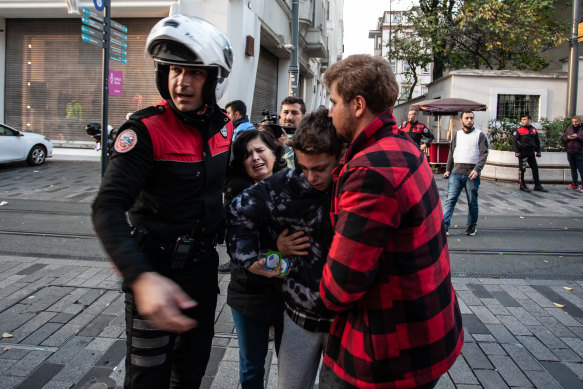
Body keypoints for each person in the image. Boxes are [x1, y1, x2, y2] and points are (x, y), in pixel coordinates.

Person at [91, 15, 233, 389]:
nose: (181, 82)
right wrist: (141, 279)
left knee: (191, 372)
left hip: (202, 273)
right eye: (173, 69)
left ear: (214, 79)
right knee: (148, 379)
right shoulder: (143, 131)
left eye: (195, 72)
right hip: (155, 271)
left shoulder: (224, 126)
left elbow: (227, 185)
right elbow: (106, 207)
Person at [319, 54, 464, 389]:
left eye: (334, 101)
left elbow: (341, 286)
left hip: (388, 350)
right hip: (430, 331)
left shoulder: (370, 169)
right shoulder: (403, 145)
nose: (330, 111)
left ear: (357, 104)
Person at [227, 109, 343, 389]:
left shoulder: (354, 182)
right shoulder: (286, 184)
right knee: (272, 375)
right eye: (305, 168)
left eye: (320, 169)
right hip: (294, 312)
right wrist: (263, 260)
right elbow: (237, 213)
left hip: (344, 316)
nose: (312, 177)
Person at [224, 130, 288, 389]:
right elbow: (246, 258)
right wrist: (281, 252)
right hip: (249, 295)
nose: (255, 158)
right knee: (252, 367)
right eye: (247, 154)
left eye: (260, 150)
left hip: (289, 297)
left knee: (292, 368)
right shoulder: (238, 198)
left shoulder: (294, 187)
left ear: (274, 152)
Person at [443, 111, 489, 236]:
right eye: (467, 118)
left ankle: (471, 225)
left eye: (471, 118)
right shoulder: (457, 135)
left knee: (472, 201)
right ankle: (444, 226)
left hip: (471, 174)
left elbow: (484, 154)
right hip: (456, 173)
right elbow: (452, 152)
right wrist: (448, 169)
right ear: (461, 120)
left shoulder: (480, 135)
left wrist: (477, 169)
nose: (469, 120)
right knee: (450, 200)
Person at [513, 114, 547, 192]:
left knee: (535, 168)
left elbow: (537, 141)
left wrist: (538, 151)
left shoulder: (534, 130)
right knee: (522, 169)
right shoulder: (518, 130)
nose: (522, 121)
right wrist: (517, 152)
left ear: (529, 120)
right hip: (523, 153)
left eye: (524, 119)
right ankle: (522, 185)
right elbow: (514, 142)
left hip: (531, 152)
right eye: (522, 120)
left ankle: (537, 185)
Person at [563, 115, 583, 192]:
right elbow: (564, 138)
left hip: (580, 152)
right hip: (570, 151)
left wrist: (577, 137)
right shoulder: (570, 129)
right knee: (573, 169)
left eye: (576, 121)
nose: (575, 123)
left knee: (581, 169)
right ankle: (574, 184)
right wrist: (568, 138)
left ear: (580, 121)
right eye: (573, 122)